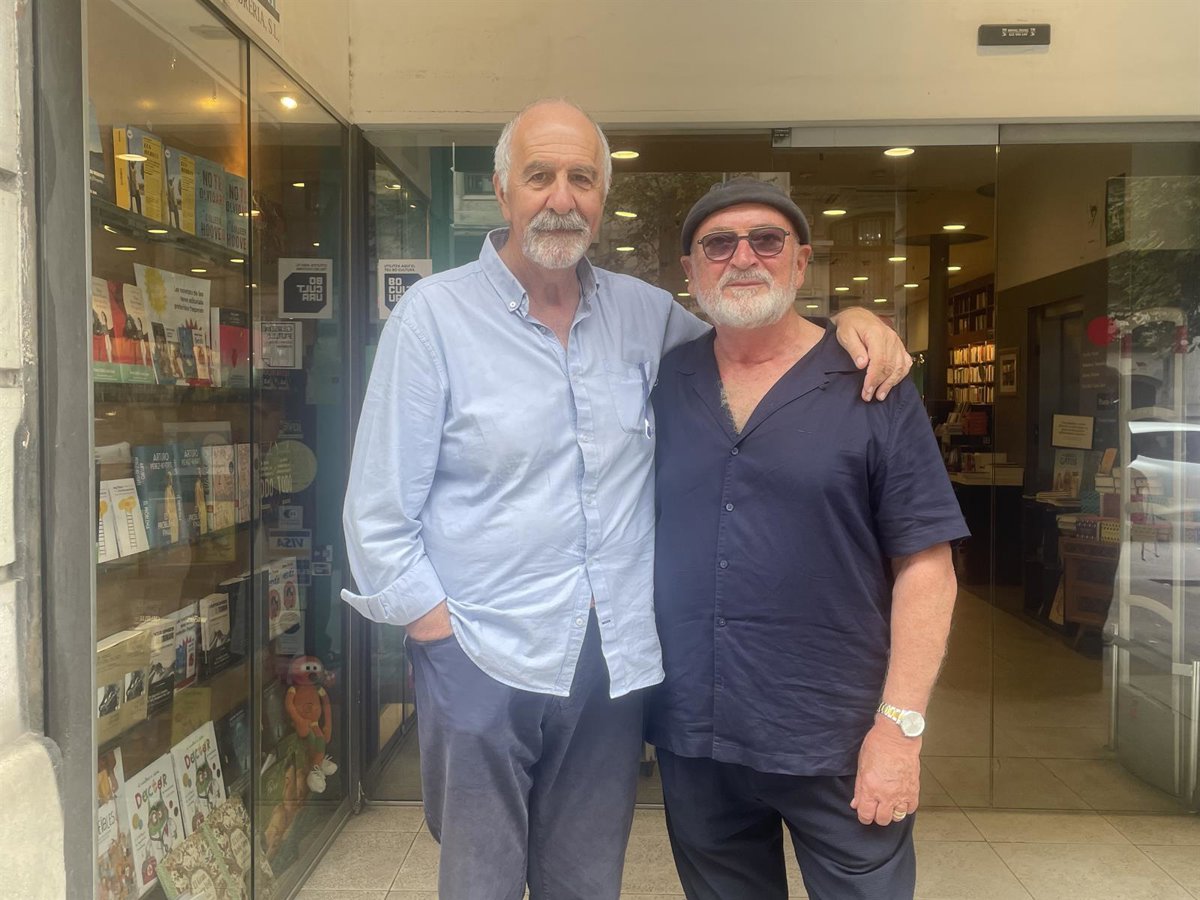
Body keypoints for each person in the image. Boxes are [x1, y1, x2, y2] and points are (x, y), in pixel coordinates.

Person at [341, 102, 912, 900]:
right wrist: (439, 639)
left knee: (585, 882)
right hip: (480, 650)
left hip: (611, 664)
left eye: (582, 178)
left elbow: (753, 339)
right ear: (503, 191)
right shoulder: (433, 318)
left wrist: (845, 320)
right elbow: (376, 512)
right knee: (480, 883)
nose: (561, 198)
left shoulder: (645, 316)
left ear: (602, 198)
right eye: (540, 176)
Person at [647, 177, 969, 900]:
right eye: (718, 245)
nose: (743, 258)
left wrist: (900, 729)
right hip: (698, 733)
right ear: (691, 271)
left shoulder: (870, 383)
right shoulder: (666, 382)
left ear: (800, 262)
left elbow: (927, 564)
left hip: (839, 739)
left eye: (767, 241)